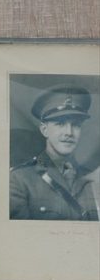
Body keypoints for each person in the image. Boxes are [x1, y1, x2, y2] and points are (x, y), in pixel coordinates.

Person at [9, 84, 100, 221]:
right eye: (60, 124)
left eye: (75, 125)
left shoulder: (91, 180)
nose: (69, 133)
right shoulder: (20, 179)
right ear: (44, 130)